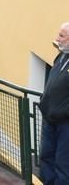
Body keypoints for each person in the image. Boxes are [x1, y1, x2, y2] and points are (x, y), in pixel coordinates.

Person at [39, 22, 69, 184]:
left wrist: (63, 112)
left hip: (65, 124)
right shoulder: (61, 55)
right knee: (46, 157)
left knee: (63, 163)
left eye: (62, 36)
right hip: (50, 119)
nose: (58, 38)